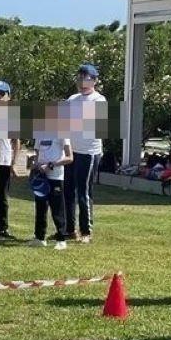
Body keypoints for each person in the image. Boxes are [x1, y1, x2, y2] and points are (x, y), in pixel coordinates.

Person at [64, 63, 105, 243]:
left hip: (89, 152)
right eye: (79, 78)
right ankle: (69, 229)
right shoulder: (72, 99)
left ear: (94, 81)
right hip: (72, 151)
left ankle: (86, 231)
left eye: (86, 78)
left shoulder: (98, 100)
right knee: (68, 191)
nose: (81, 82)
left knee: (84, 192)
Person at [30, 135, 71, 249]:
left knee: (57, 208)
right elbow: (37, 156)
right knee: (40, 207)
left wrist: (51, 165)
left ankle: (61, 239)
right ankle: (40, 237)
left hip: (56, 177)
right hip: (41, 176)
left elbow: (69, 157)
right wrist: (35, 164)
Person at [0, 80, 19, 238]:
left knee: (2, 197)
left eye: (2, 94)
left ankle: (3, 229)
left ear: (9, 97)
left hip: (4, 161)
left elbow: (16, 141)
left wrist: (14, 163)